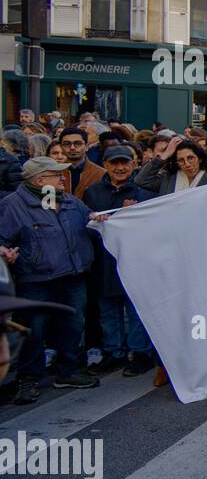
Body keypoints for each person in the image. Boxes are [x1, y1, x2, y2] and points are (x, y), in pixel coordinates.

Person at [0, 157, 99, 403]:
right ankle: (28, 379)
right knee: (33, 331)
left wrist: (100, 218)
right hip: (35, 280)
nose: (63, 178)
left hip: (72, 275)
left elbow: (90, 219)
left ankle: (68, 371)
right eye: (57, 175)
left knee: (73, 326)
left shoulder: (70, 201)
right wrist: (5, 252)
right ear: (40, 180)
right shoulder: (13, 205)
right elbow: (2, 238)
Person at [82, 146, 156, 377]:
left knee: (135, 310)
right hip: (103, 260)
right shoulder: (92, 192)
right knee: (108, 310)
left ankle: (140, 353)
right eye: (114, 163)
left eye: (125, 162)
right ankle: (114, 352)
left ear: (134, 164)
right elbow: (86, 224)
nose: (120, 167)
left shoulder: (144, 193)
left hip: (134, 260)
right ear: (105, 164)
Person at [135, 137, 207, 194]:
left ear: (200, 158)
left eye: (190, 158)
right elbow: (141, 181)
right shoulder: (167, 179)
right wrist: (165, 155)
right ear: (176, 163)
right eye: (181, 160)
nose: (187, 164)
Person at [58, 127, 106, 199]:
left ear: (86, 146)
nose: (72, 147)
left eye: (78, 143)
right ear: (61, 147)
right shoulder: (55, 172)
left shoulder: (101, 174)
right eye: (67, 144)